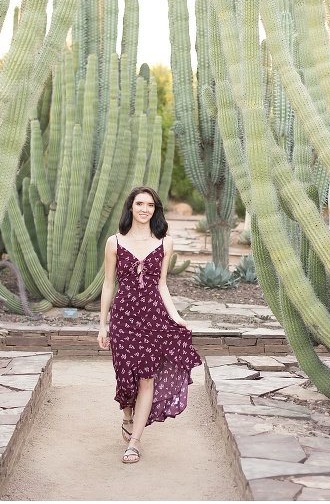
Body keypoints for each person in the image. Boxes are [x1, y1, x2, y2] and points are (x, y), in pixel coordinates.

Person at [98, 186, 202, 464]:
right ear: (130, 207)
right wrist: (102, 324)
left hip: (154, 317)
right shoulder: (114, 242)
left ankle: (134, 442)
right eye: (140, 203)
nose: (145, 209)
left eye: (151, 205)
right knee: (125, 372)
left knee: (147, 378)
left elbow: (162, 285)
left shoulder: (165, 242)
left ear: (155, 210)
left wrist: (176, 317)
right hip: (123, 316)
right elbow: (109, 284)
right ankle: (127, 413)